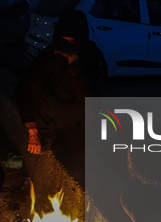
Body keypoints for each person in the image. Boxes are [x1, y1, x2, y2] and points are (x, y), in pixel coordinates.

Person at [16, 9, 101, 155]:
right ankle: (46, 135)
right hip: (55, 109)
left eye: (72, 42)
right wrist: (32, 129)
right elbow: (27, 85)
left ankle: (83, 143)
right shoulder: (52, 53)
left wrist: (74, 63)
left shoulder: (91, 54)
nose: (67, 46)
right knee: (36, 88)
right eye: (64, 41)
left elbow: (89, 99)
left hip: (81, 113)